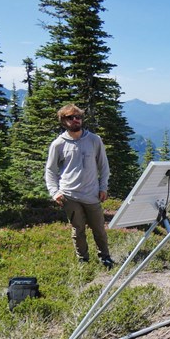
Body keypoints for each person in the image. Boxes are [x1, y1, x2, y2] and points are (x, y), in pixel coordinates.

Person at [45, 104, 115, 268]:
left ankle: (105, 257)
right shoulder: (58, 144)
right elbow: (50, 170)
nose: (76, 120)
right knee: (78, 230)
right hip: (70, 195)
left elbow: (104, 166)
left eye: (78, 117)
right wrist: (55, 192)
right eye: (71, 117)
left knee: (99, 228)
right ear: (63, 120)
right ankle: (83, 260)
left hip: (92, 194)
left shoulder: (94, 140)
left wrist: (103, 187)